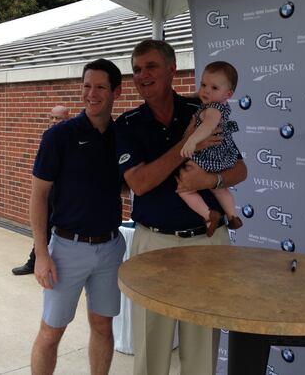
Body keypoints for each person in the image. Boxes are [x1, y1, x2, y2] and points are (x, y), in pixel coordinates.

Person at [115, 40, 247, 375]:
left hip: (206, 242)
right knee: (151, 346)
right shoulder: (127, 124)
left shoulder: (202, 111)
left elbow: (239, 170)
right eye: (136, 69)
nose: (142, 75)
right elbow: (140, 182)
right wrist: (185, 143)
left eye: (151, 66)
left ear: (173, 69)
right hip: (152, 243)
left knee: (201, 349)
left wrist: (210, 181)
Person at [31, 58, 125, 375]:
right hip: (67, 249)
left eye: (100, 87)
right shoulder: (59, 137)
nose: (91, 93)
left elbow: (127, 183)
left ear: (116, 92)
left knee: (102, 325)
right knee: (51, 331)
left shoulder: (122, 136)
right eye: (86, 86)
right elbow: (38, 196)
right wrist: (42, 254)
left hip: (110, 247)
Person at [179, 61, 243, 236]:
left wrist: (191, 141)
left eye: (214, 88)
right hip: (221, 157)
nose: (206, 90)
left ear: (228, 94)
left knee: (185, 189)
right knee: (220, 189)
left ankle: (208, 215)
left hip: (208, 156)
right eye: (203, 84)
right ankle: (233, 216)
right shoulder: (218, 104)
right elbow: (200, 96)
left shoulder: (213, 110)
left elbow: (207, 126)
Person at [12, 105, 70, 276]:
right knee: (44, 226)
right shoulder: (48, 136)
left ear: (67, 117)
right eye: (51, 118)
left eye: (57, 118)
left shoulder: (73, 136)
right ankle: (35, 261)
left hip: (66, 192)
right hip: (49, 191)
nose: (53, 121)